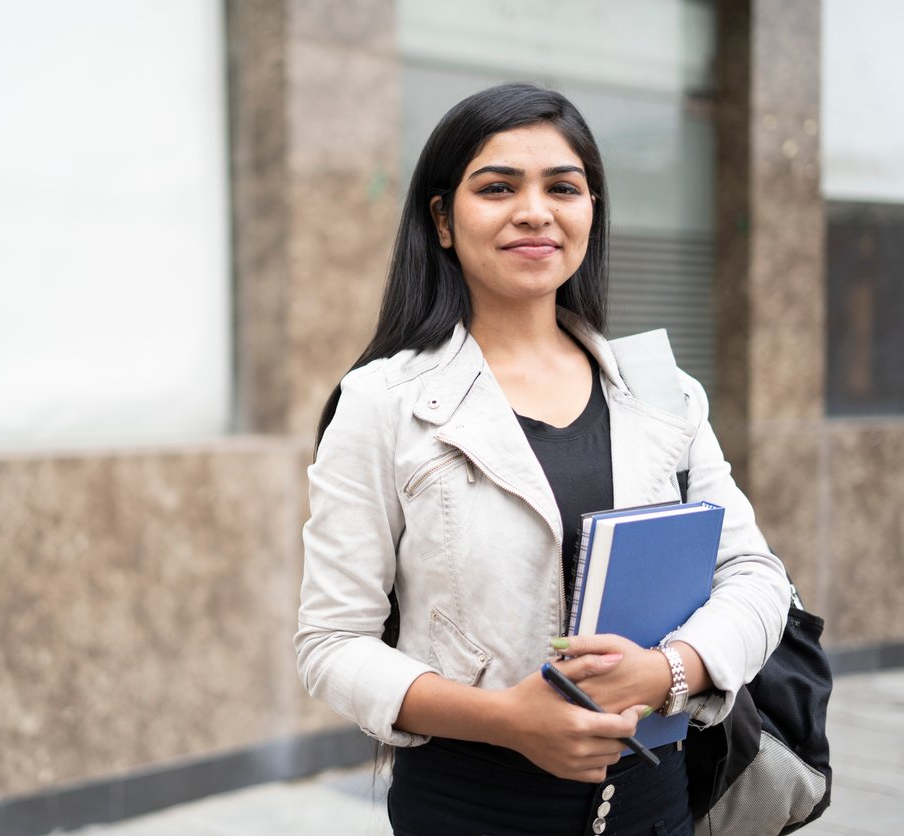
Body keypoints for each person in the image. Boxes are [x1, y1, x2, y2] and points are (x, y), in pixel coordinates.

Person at [294, 83, 790, 836]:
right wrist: (505, 719)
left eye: (563, 187)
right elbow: (332, 643)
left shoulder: (661, 390)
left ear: (591, 211)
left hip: (655, 804)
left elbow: (754, 576)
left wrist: (667, 671)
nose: (535, 210)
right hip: (471, 807)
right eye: (497, 187)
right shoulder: (383, 401)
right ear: (443, 221)